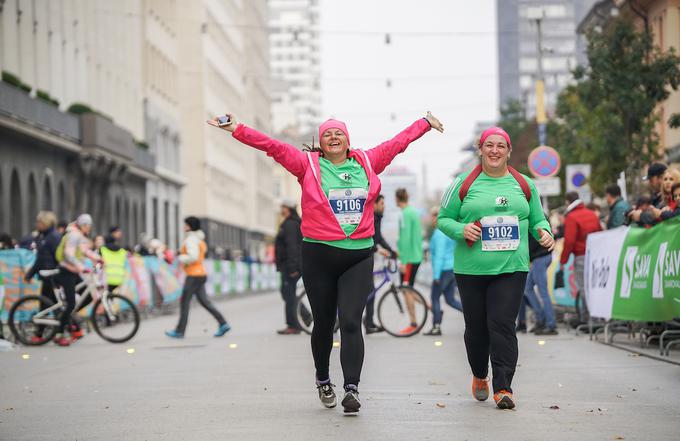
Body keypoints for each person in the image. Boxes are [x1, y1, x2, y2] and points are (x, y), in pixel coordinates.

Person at [208, 110, 443, 413]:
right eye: (327, 133)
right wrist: (237, 128)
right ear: (320, 142)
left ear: (348, 140)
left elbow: (398, 142)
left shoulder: (369, 162)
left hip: (358, 256)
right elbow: (273, 147)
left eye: (339, 133)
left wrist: (424, 124)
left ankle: (352, 388)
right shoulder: (307, 165)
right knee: (323, 323)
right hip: (318, 256)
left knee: (349, 321)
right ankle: (322, 380)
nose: (333, 137)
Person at [438, 126, 554, 410]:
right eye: (489, 145)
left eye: (500, 146)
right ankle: (480, 375)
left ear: (508, 151)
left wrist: (545, 231)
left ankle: (504, 387)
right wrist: (461, 229)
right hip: (471, 269)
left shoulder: (524, 184)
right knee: (476, 330)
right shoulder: (463, 183)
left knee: (502, 325)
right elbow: (443, 219)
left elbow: (539, 218)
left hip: (511, 267)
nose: (494, 150)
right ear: (481, 149)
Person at [166, 217, 230, 339]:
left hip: (193, 275)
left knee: (184, 303)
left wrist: (180, 257)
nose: (184, 227)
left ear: (189, 226)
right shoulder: (199, 239)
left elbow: (193, 256)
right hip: (200, 274)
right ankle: (223, 323)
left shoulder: (191, 240)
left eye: (185, 225)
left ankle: (180, 331)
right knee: (205, 302)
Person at [54, 214, 102, 346]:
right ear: (83, 225)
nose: (89, 229)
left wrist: (98, 258)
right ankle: (59, 334)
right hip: (66, 272)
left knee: (87, 296)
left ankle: (68, 315)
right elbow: (68, 255)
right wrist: (82, 267)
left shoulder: (79, 235)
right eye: (88, 226)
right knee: (70, 303)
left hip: (73, 271)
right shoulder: (74, 235)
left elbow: (85, 251)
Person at [560, 192, 602, 324]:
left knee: (584, 288)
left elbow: (569, 241)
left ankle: (590, 320)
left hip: (581, 256)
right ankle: (594, 318)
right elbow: (600, 232)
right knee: (594, 287)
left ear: (568, 202)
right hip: (595, 255)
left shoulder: (571, 217)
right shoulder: (591, 214)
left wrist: (563, 261)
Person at [23, 211, 62, 344]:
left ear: (46, 223)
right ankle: (48, 334)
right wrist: (30, 274)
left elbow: (59, 257)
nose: (37, 224)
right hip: (47, 277)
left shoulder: (53, 237)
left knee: (52, 306)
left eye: (39, 222)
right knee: (48, 306)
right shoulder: (42, 237)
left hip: (53, 276)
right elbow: (40, 259)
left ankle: (47, 334)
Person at [423, 206, 461, 336]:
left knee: (434, 297)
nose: (431, 219)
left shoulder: (439, 234)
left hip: (443, 270)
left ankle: (436, 326)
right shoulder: (449, 231)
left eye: (433, 216)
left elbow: (439, 255)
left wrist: (436, 275)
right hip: (452, 269)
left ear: (437, 217)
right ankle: (474, 316)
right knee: (450, 300)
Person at [365, 194, 395, 334]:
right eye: (382, 203)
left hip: (369, 256)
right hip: (363, 257)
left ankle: (369, 323)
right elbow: (367, 237)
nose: (384, 206)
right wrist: (378, 249)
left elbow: (378, 237)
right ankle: (368, 323)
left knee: (370, 292)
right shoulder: (370, 217)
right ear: (375, 204)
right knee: (368, 291)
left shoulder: (377, 218)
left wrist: (391, 250)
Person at [517, 230, 557, 335]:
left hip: (540, 256)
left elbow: (533, 241)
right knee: (527, 288)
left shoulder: (533, 218)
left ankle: (550, 323)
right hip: (540, 256)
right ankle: (541, 318)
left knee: (542, 291)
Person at [395, 187, 423, 335]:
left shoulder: (405, 214)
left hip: (409, 258)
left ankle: (413, 323)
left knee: (406, 290)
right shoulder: (414, 212)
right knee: (408, 288)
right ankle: (430, 307)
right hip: (415, 256)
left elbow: (404, 239)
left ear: (397, 199)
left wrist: (403, 262)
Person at [275, 200, 303, 335]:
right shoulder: (290, 223)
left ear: (289, 209)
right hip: (288, 265)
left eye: (283, 207)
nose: (281, 209)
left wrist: (292, 267)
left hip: (289, 266)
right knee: (288, 293)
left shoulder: (290, 224)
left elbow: (292, 246)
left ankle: (293, 324)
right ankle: (305, 318)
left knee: (288, 294)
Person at [100, 227, 128, 294]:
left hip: (107, 279)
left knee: (106, 298)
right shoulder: (123, 251)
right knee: (116, 299)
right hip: (120, 278)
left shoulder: (102, 249)